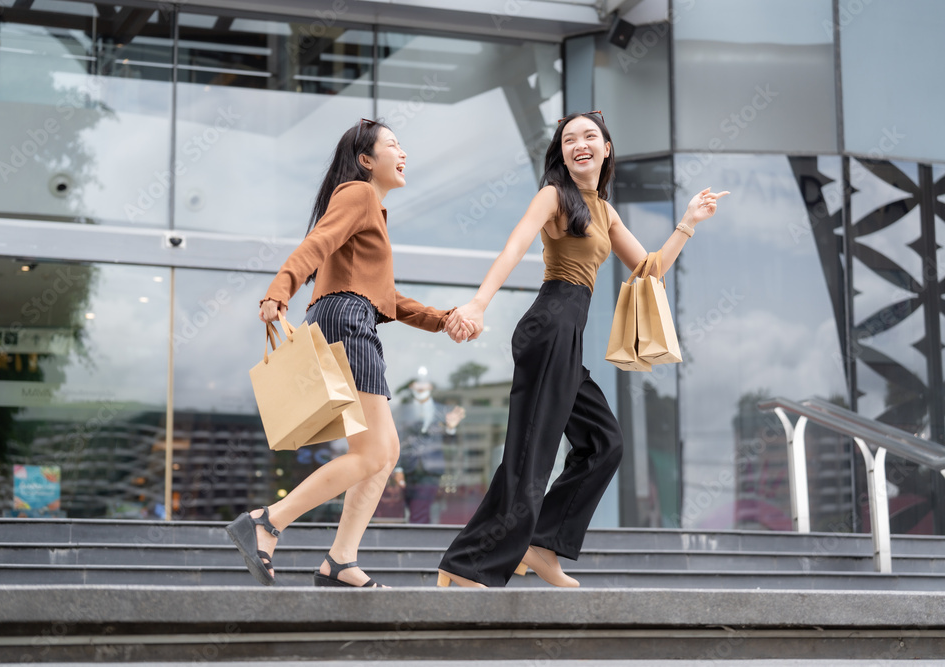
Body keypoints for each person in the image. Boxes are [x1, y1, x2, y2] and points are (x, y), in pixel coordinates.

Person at [436, 111, 729, 588]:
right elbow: (514, 246)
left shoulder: (605, 211)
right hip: (548, 325)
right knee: (532, 454)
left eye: (589, 136)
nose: (579, 144)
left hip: (566, 335)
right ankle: (469, 563)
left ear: (606, 148)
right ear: (562, 154)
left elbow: (649, 271)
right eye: (569, 139)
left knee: (603, 443)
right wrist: (478, 303)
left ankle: (544, 544)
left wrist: (687, 223)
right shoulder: (554, 196)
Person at [226, 118, 473, 588]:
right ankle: (266, 521)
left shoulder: (373, 211)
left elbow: (388, 298)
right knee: (374, 450)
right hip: (346, 320)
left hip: (351, 316)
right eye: (394, 146)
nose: (403, 154)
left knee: (386, 450)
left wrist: (444, 319)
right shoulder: (357, 194)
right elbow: (316, 243)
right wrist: (279, 290)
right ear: (366, 160)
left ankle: (340, 560)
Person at [395, 367, 466, 523]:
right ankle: (421, 540)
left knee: (418, 511)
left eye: (424, 384)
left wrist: (450, 428)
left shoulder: (442, 411)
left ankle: (413, 540)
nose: (421, 387)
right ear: (411, 387)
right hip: (408, 469)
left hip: (431, 470)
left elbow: (451, 444)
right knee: (417, 509)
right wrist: (398, 468)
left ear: (430, 387)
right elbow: (397, 439)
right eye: (417, 383)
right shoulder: (402, 410)